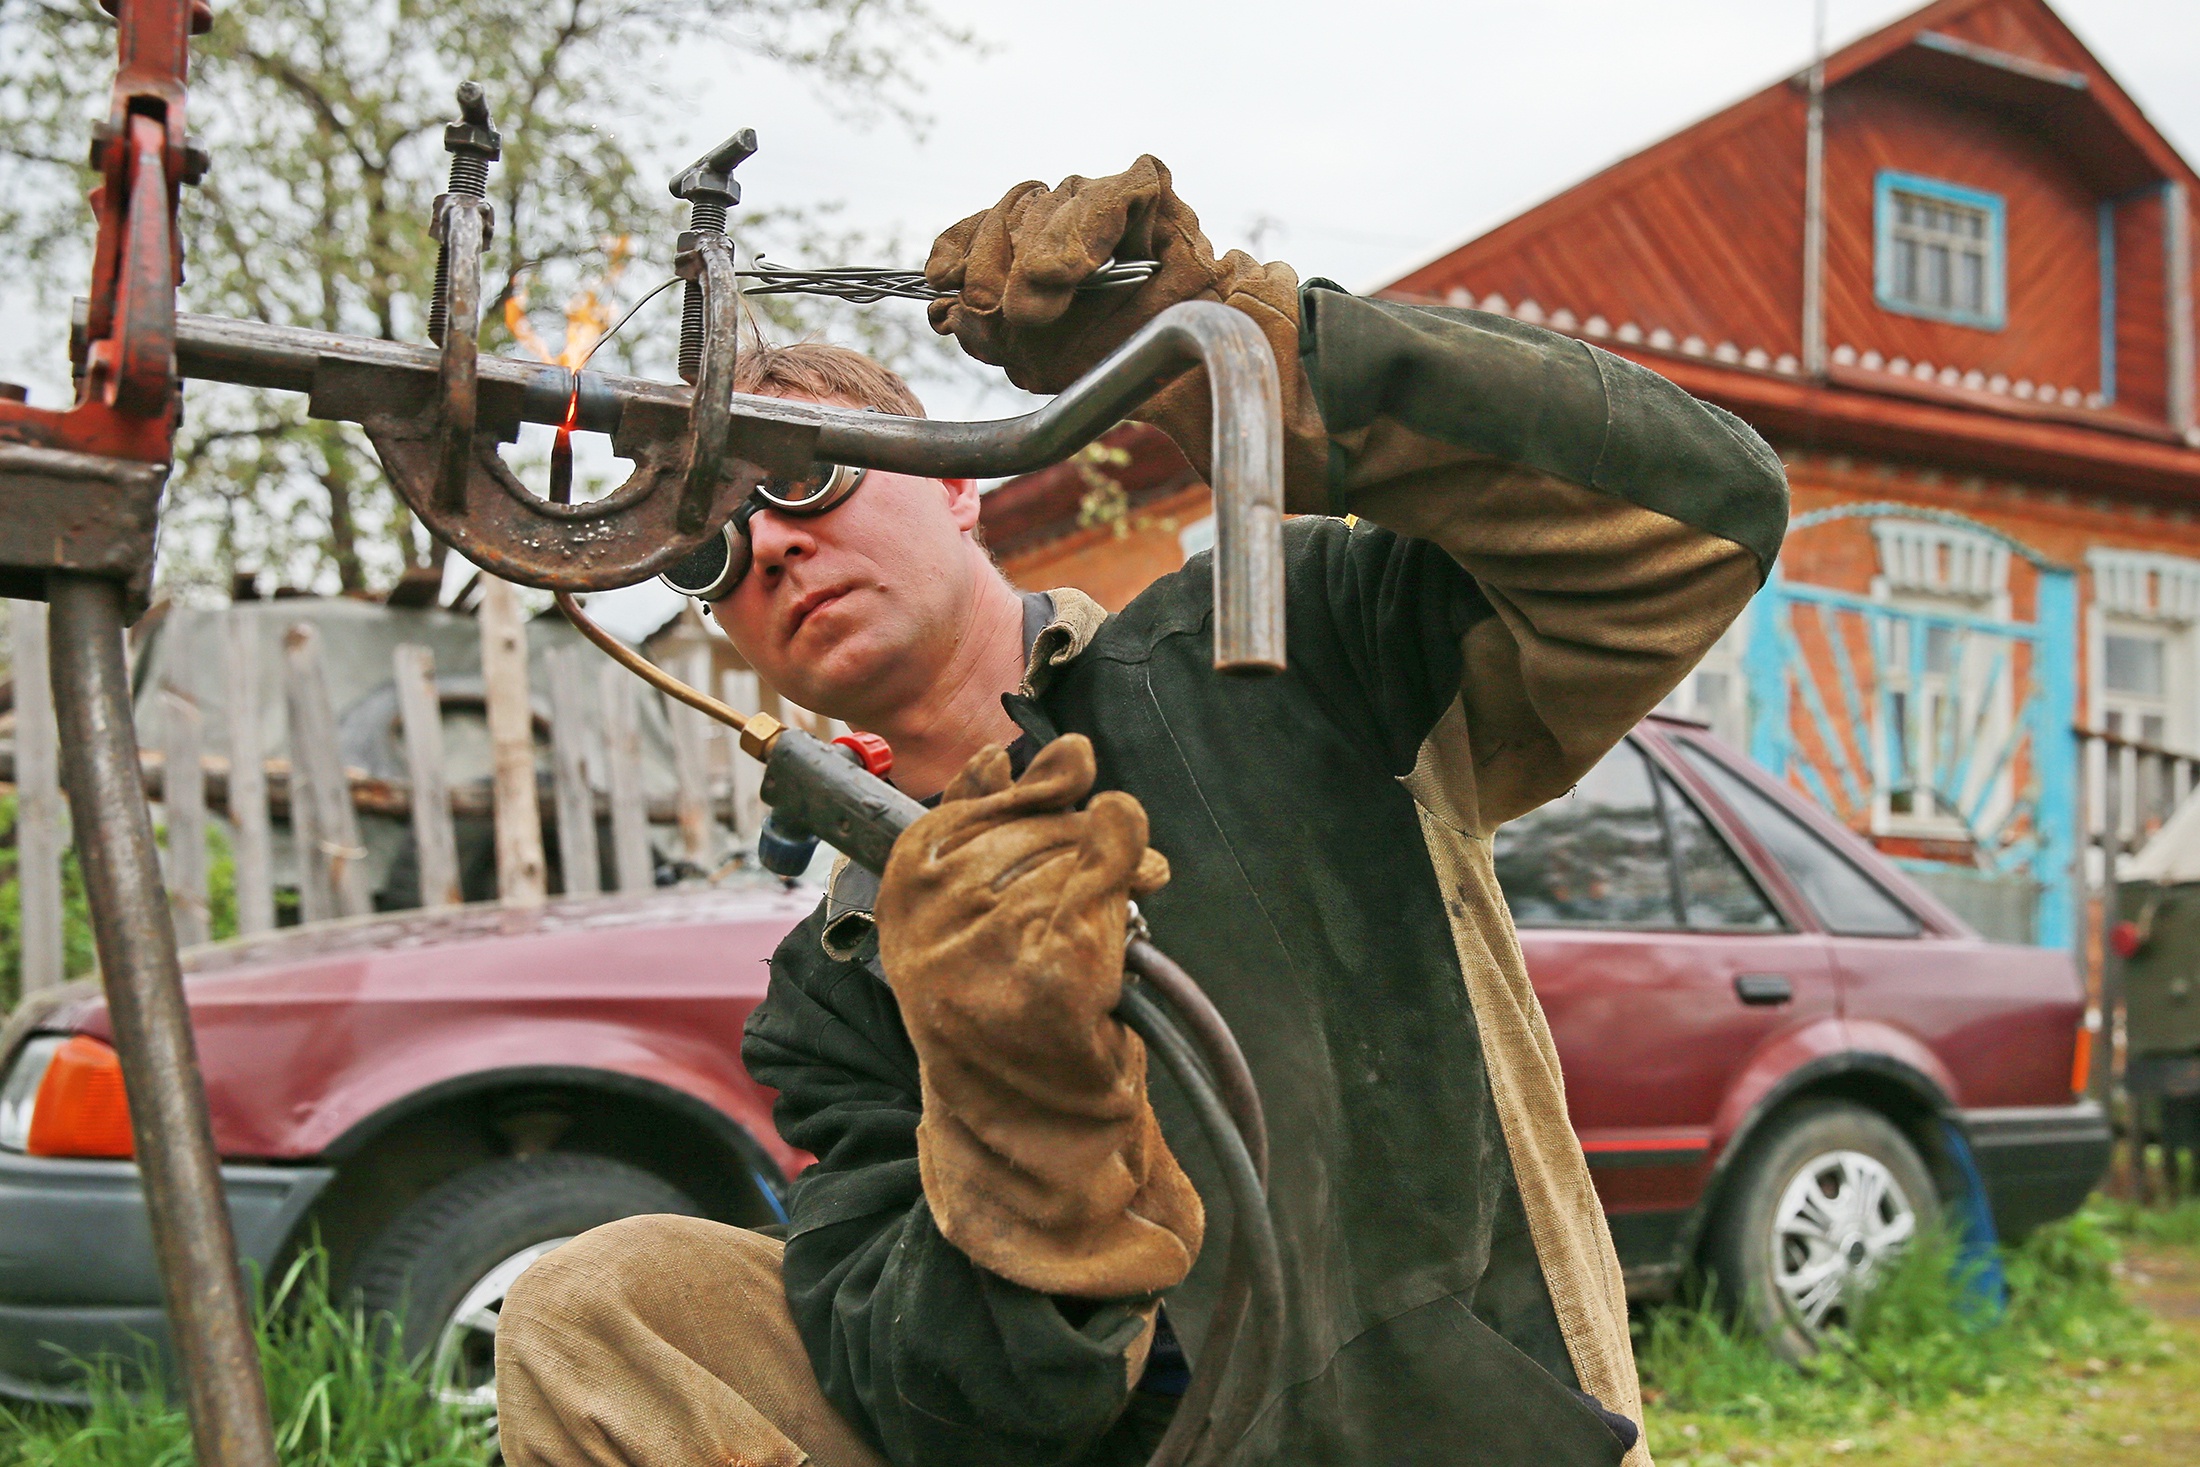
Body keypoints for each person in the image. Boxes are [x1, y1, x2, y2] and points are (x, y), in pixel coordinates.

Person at [494, 157, 1787, 1467]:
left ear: (957, 481)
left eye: (798, 474)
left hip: (1415, 1437)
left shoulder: (1282, 651)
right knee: (592, 1315)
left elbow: (1691, 524)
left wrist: (1238, 354)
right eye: (708, 548)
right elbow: (955, 1419)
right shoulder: (836, 980)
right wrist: (1027, 1124)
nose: (767, 545)